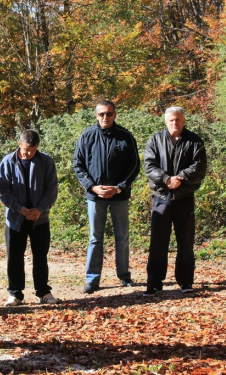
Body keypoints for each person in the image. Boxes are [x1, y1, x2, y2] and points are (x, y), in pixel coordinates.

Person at [73, 100, 140, 294]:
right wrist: (93, 187)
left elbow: (134, 166)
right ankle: (92, 280)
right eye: (102, 114)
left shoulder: (126, 137)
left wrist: (119, 188)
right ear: (96, 115)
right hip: (95, 197)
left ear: (115, 115)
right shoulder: (87, 136)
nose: (105, 117)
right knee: (95, 238)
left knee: (122, 237)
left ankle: (124, 277)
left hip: (119, 195)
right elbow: (78, 165)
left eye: (109, 114)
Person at [143, 106, 207, 296]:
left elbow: (200, 167)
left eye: (178, 119)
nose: (175, 123)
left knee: (185, 242)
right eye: (171, 120)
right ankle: (154, 282)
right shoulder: (155, 140)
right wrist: (165, 179)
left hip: (184, 198)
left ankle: (186, 281)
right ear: (165, 121)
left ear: (184, 120)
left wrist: (180, 178)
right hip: (161, 197)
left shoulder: (194, 141)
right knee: (158, 243)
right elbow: (149, 165)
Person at [0, 130, 59, 306]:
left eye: (32, 150)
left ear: (37, 147)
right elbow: (3, 189)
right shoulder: (7, 161)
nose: (28, 153)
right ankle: (15, 293)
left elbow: (51, 190)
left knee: (40, 256)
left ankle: (43, 292)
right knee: (14, 256)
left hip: (40, 218)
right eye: (25, 150)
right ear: (19, 144)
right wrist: (19, 209)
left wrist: (40, 209)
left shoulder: (46, 161)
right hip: (15, 219)